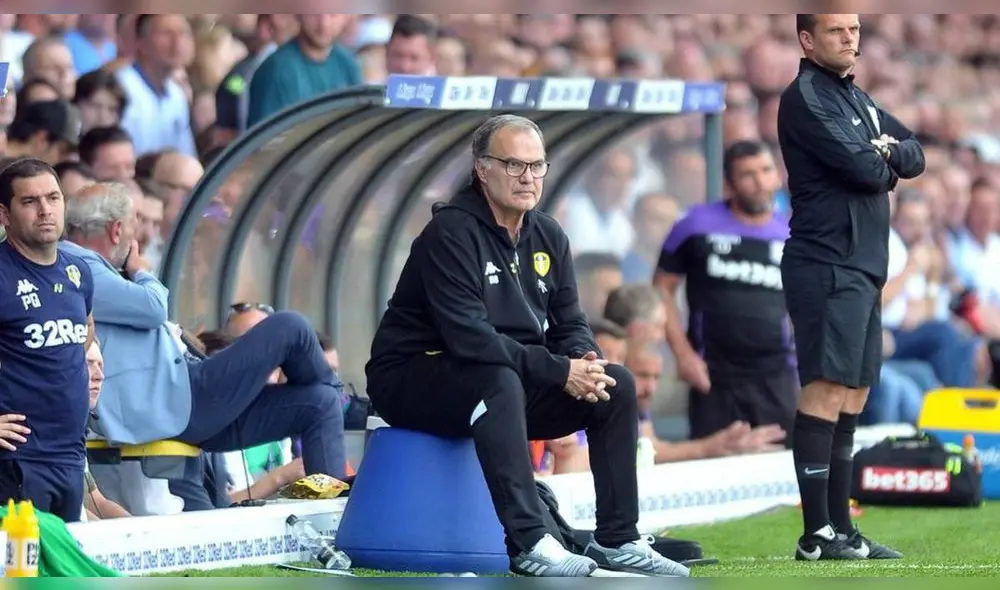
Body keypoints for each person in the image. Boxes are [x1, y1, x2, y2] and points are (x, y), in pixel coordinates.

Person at [365, 114, 689, 578]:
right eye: (514, 165)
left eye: (537, 166)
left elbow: (570, 322)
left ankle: (618, 539)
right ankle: (530, 543)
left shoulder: (548, 234)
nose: (528, 178)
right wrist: (559, 372)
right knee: (496, 379)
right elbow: (468, 338)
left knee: (616, 384)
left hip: (504, 378)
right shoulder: (450, 234)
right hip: (414, 376)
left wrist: (584, 361)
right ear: (483, 169)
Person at [58, 182, 348, 484]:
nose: (137, 240)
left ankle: (334, 520)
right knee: (290, 327)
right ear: (117, 230)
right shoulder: (78, 264)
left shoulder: (88, 267)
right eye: (134, 227)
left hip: (181, 404)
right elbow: (154, 307)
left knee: (319, 403)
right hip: (177, 401)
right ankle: (345, 402)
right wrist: (141, 270)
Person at [777, 14, 925, 561]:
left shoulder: (857, 99)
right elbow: (868, 169)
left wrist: (887, 152)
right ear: (807, 39)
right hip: (825, 262)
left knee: (855, 393)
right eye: (836, 31)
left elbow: (916, 152)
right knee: (826, 388)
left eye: (855, 30)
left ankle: (842, 529)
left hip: (863, 267)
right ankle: (816, 534)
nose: (849, 38)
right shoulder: (806, 96)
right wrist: (885, 156)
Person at [655, 140, 797, 442]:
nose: (760, 182)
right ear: (730, 183)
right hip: (714, 375)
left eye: (766, 170)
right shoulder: (695, 226)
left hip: (777, 374)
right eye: (747, 175)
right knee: (714, 467)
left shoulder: (791, 234)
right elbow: (662, 288)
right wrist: (683, 355)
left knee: (781, 467)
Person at [0, 157, 95, 522]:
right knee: (23, 572)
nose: (45, 210)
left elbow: (84, 333)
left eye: (53, 198)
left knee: (65, 575)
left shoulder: (78, 272)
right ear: (4, 215)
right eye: (29, 202)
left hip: (70, 453)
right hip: (20, 459)